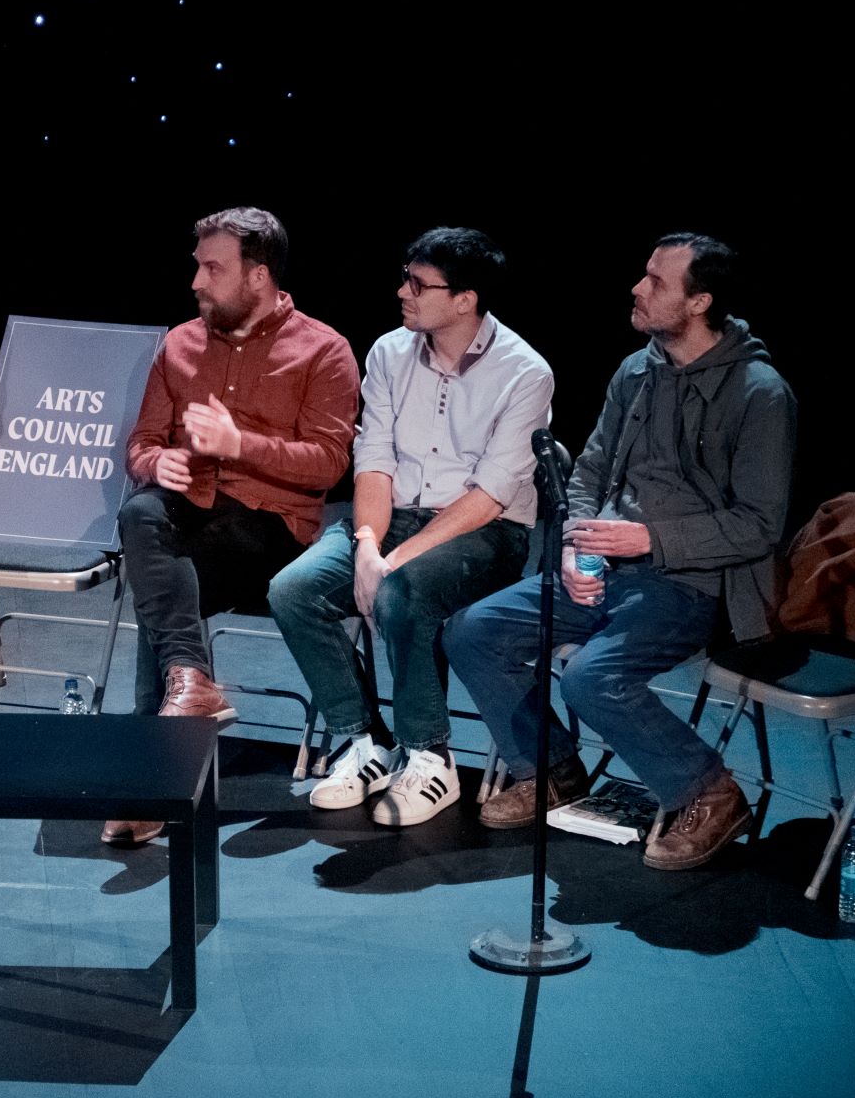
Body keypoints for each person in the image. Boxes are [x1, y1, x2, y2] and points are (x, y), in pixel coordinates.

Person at [443, 233, 796, 870]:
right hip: (605, 566)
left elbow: (759, 525)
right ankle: (549, 766)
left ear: (700, 302)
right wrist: (579, 549)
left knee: (591, 677)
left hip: (692, 582)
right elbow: (587, 474)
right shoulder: (637, 371)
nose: (637, 288)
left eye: (657, 282)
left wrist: (651, 539)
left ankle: (710, 790)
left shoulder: (760, 393)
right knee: (473, 632)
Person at [269, 228, 552, 826]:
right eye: (405, 276)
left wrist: (391, 566)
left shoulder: (525, 373)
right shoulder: (388, 353)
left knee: (404, 590)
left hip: (483, 534)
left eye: (418, 284)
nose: (403, 292)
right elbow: (373, 462)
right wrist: (370, 547)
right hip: (389, 520)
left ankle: (430, 757)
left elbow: (491, 496)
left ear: (465, 299)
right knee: (293, 589)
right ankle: (363, 743)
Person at [104, 207, 359, 846]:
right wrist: (155, 460)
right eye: (197, 264)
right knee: (143, 517)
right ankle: (191, 685)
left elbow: (330, 464)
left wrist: (238, 444)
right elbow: (139, 444)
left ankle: (153, 780)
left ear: (258, 276)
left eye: (212, 267)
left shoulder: (324, 349)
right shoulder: (181, 343)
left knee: (161, 587)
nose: (196, 280)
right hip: (190, 519)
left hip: (272, 533)